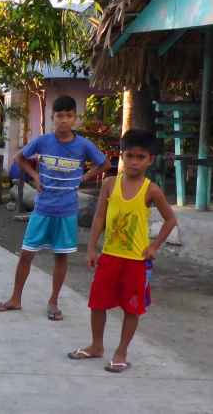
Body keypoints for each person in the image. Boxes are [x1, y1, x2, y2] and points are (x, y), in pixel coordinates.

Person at [0, 96, 111, 320]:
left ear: (75, 118)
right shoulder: (43, 141)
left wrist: (85, 177)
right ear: (52, 117)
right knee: (26, 254)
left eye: (69, 116)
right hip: (42, 208)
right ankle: (15, 298)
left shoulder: (83, 145)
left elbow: (105, 164)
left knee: (61, 257)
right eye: (59, 116)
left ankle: (53, 302)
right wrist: (35, 175)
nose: (64, 120)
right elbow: (19, 158)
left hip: (67, 211)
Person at [68, 129, 176, 372]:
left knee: (132, 307)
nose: (134, 162)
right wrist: (91, 249)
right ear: (121, 156)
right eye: (129, 156)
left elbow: (170, 219)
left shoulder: (151, 190)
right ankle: (96, 346)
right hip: (109, 257)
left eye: (141, 157)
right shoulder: (109, 184)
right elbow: (99, 217)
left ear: (150, 160)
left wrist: (154, 246)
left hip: (136, 261)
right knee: (97, 303)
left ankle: (121, 352)